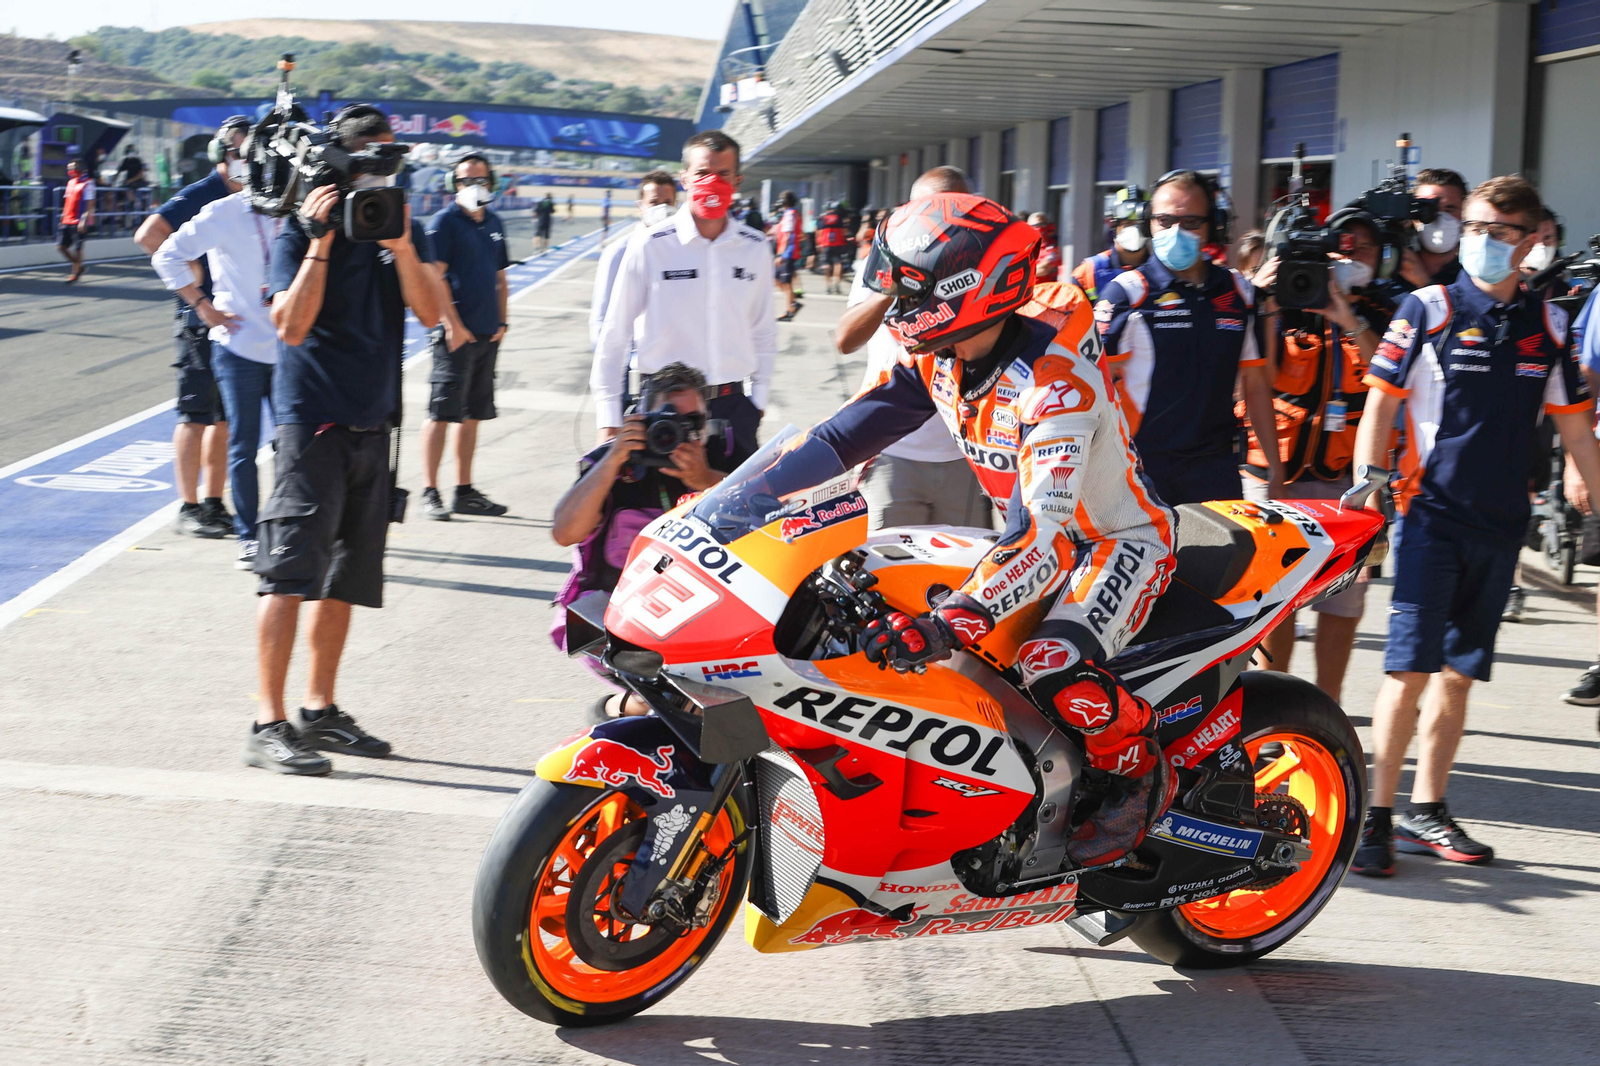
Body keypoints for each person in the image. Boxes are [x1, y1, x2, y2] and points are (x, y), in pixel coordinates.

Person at [805, 191, 1176, 867]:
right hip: (1027, 541)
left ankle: (1138, 770)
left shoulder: (1055, 386)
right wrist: (739, 496)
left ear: (965, 291)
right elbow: (839, 437)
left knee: (1049, 663)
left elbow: (1043, 538)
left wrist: (952, 619)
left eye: (909, 292)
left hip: (1111, 542)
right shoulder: (940, 356)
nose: (895, 306)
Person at [1350, 175, 1600, 874]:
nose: (1484, 241)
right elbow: (1381, 406)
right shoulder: (1427, 308)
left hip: (1501, 526)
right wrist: (1369, 491)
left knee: (1458, 676)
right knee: (1409, 671)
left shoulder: (1550, 325)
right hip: (1429, 519)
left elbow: (1577, 432)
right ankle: (1377, 816)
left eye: (1499, 232)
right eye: (1476, 228)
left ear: (1530, 242)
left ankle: (1427, 809)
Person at [247, 104, 441, 775]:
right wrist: (321, 240)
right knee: (286, 577)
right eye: (371, 160)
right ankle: (267, 723)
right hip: (314, 424)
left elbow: (431, 313)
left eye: (391, 160)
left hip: (373, 425)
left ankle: (319, 709)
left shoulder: (398, 226)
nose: (382, 174)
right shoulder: (299, 230)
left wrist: (403, 247)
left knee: (343, 581)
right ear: (343, 163)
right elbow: (290, 326)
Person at [1245, 212, 1393, 702]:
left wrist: (1349, 319)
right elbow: (1255, 376)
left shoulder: (1383, 309)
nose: (1352, 258)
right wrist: (1263, 299)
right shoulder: (1283, 299)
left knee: (1343, 604)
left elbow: (1390, 375)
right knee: (1275, 603)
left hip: (1344, 480)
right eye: (1344, 249)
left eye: (1365, 249)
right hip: (1275, 476)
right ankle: (1271, 710)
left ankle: (1326, 709)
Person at [551, 363, 735, 719]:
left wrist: (706, 479)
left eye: (692, 422)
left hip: (698, 612)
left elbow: (766, 516)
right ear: (639, 419)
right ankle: (623, 708)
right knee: (683, 703)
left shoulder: (720, 455)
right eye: (665, 420)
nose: (678, 432)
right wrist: (615, 458)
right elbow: (564, 532)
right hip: (614, 616)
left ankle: (650, 706)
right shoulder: (611, 462)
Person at [1095, 170, 1284, 505]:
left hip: (1216, 469)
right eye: (1164, 220)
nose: (1175, 231)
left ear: (1214, 226)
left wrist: (1276, 471)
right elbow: (1092, 388)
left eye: (1191, 222)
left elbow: (1256, 388)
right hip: (1139, 470)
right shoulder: (1126, 293)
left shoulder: (1239, 292)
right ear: (1148, 224)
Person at [591, 130, 774, 467]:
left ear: (737, 180)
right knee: (660, 500)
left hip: (733, 407)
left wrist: (758, 401)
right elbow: (615, 333)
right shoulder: (650, 245)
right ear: (685, 179)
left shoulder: (755, 247)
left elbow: (763, 330)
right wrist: (608, 418)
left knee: (732, 501)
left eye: (723, 174)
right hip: (664, 408)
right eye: (702, 173)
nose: (712, 182)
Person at [149, 152, 283, 570]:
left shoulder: (298, 210)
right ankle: (249, 536)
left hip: (290, 346)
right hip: (238, 347)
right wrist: (202, 306)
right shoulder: (223, 210)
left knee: (295, 445)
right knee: (242, 444)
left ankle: (288, 531)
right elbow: (165, 254)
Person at [837, 166, 989, 531]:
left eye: (957, 209)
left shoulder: (985, 264)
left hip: (965, 456)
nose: (944, 222)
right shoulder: (883, 260)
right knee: (883, 564)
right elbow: (846, 340)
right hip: (891, 453)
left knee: (968, 564)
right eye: (932, 210)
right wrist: (891, 285)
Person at [135, 116, 254, 539]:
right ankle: (188, 507)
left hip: (233, 322)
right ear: (221, 154)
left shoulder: (255, 194)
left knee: (223, 419)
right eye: (240, 152)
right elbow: (149, 235)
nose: (247, 160)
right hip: (199, 320)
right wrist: (193, 282)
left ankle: (213, 502)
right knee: (196, 415)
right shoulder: (203, 193)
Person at [419, 154, 512, 521]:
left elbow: (500, 278)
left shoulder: (494, 222)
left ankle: (464, 490)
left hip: (488, 334)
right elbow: (435, 277)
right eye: (464, 180)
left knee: (472, 415)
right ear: (453, 185)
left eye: (479, 179)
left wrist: (502, 322)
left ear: (492, 183)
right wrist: (452, 325)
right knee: (441, 413)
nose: (472, 186)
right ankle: (429, 491)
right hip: (455, 337)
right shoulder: (444, 223)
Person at [589, 170, 678, 350]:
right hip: (634, 357)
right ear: (640, 207)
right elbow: (601, 315)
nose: (662, 209)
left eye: (668, 203)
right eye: (654, 203)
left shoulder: (684, 248)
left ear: (676, 205)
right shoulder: (618, 252)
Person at [1072, 185, 1148, 301]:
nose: (1135, 230)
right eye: (1127, 224)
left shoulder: (1165, 269)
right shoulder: (1087, 273)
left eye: (1140, 224)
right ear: (1114, 225)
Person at [1397, 167, 1467, 290]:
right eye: (1427, 209)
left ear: (1464, 214)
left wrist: (1424, 282)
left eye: (1449, 209)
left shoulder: (1472, 277)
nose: (1439, 218)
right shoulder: (1391, 270)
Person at [56, 158, 95, 283]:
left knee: (78, 248)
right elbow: (67, 201)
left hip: (78, 220)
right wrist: (62, 216)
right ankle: (79, 265)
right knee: (61, 247)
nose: (70, 171)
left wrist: (84, 220)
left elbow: (90, 204)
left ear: (80, 168)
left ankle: (75, 272)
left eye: (72, 168)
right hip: (67, 219)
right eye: (69, 169)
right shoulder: (70, 183)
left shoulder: (88, 183)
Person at [773, 189, 803, 321]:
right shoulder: (790, 214)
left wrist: (780, 254)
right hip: (787, 252)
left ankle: (789, 311)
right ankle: (793, 303)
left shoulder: (791, 214)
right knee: (777, 280)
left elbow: (787, 235)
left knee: (786, 283)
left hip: (787, 252)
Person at [814, 201, 849, 295]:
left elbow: (818, 233)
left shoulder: (823, 218)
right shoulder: (839, 218)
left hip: (826, 243)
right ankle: (836, 283)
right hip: (838, 243)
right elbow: (844, 231)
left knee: (827, 265)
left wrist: (818, 244)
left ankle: (828, 286)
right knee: (838, 263)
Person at [1028, 212, 1062, 283]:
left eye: (1043, 225)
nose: (1040, 228)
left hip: (1047, 288)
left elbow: (1044, 269)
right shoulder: (1025, 247)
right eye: (1035, 226)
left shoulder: (1054, 246)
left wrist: (1024, 273)